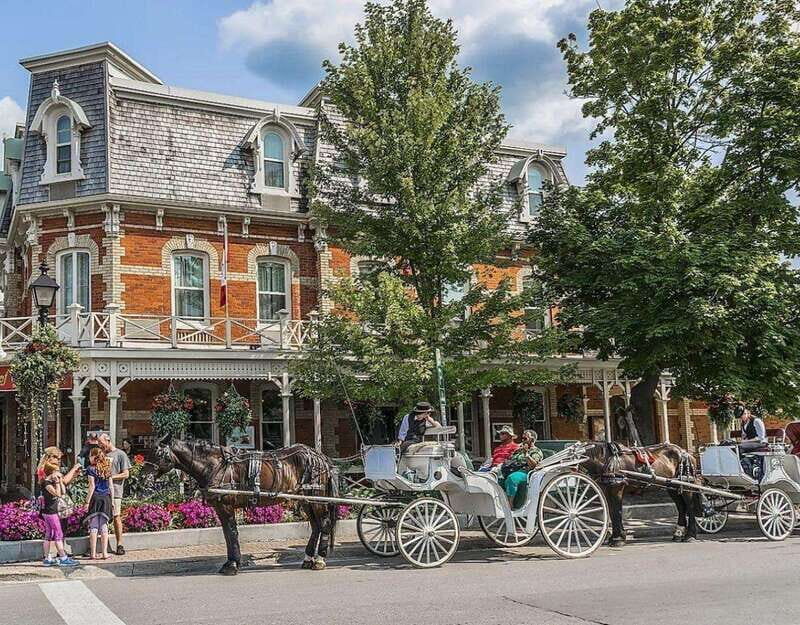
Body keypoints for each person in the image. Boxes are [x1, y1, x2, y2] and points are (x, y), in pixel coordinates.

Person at [40, 460, 79, 567]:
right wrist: (57, 483)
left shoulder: (52, 481)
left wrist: (60, 481)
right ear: (51, 472)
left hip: (50, 511)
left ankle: (47, 558)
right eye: (57, 471)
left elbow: (63, 492)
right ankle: (63, 558)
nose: (59, 473)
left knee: (49, 534)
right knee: (58, 534)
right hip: (50, 512)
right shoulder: (46, 483)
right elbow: (57, 494)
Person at [98, 433, 131, 555]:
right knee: (102, 518)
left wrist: (111, 476)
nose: (100, 446)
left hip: (116, 491)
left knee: (116, 516)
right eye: (99, 445)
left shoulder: (120, 454)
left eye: (102, 444)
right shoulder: (102, 455)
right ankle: (101, 546)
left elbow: (126, 474)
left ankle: (119, 544)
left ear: (108, 440)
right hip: (102, 490)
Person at [501, 430, 544, 506]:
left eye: (525, 438)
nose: (523, 440)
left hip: (526, 472)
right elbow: (510, 459)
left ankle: (509, 505)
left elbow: (533, 466)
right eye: (522, 438)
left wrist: (526, 454)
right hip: (512, 470)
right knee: (497, 479)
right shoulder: (519, 450)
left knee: (512, 478)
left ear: (532, 439)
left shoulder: (536, 451)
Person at [85, 448, 113, 560]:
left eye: (90, 456)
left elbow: (91, 486)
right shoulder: (107, 468)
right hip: (106, 497)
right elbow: (111, 486)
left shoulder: (91, 469)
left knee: (94, 526)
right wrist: (112, 500)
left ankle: (93, 553)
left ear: (94, 457)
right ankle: (104, 553)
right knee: (104, 526)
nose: (88, 458)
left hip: (96, 498)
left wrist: (87, 501)